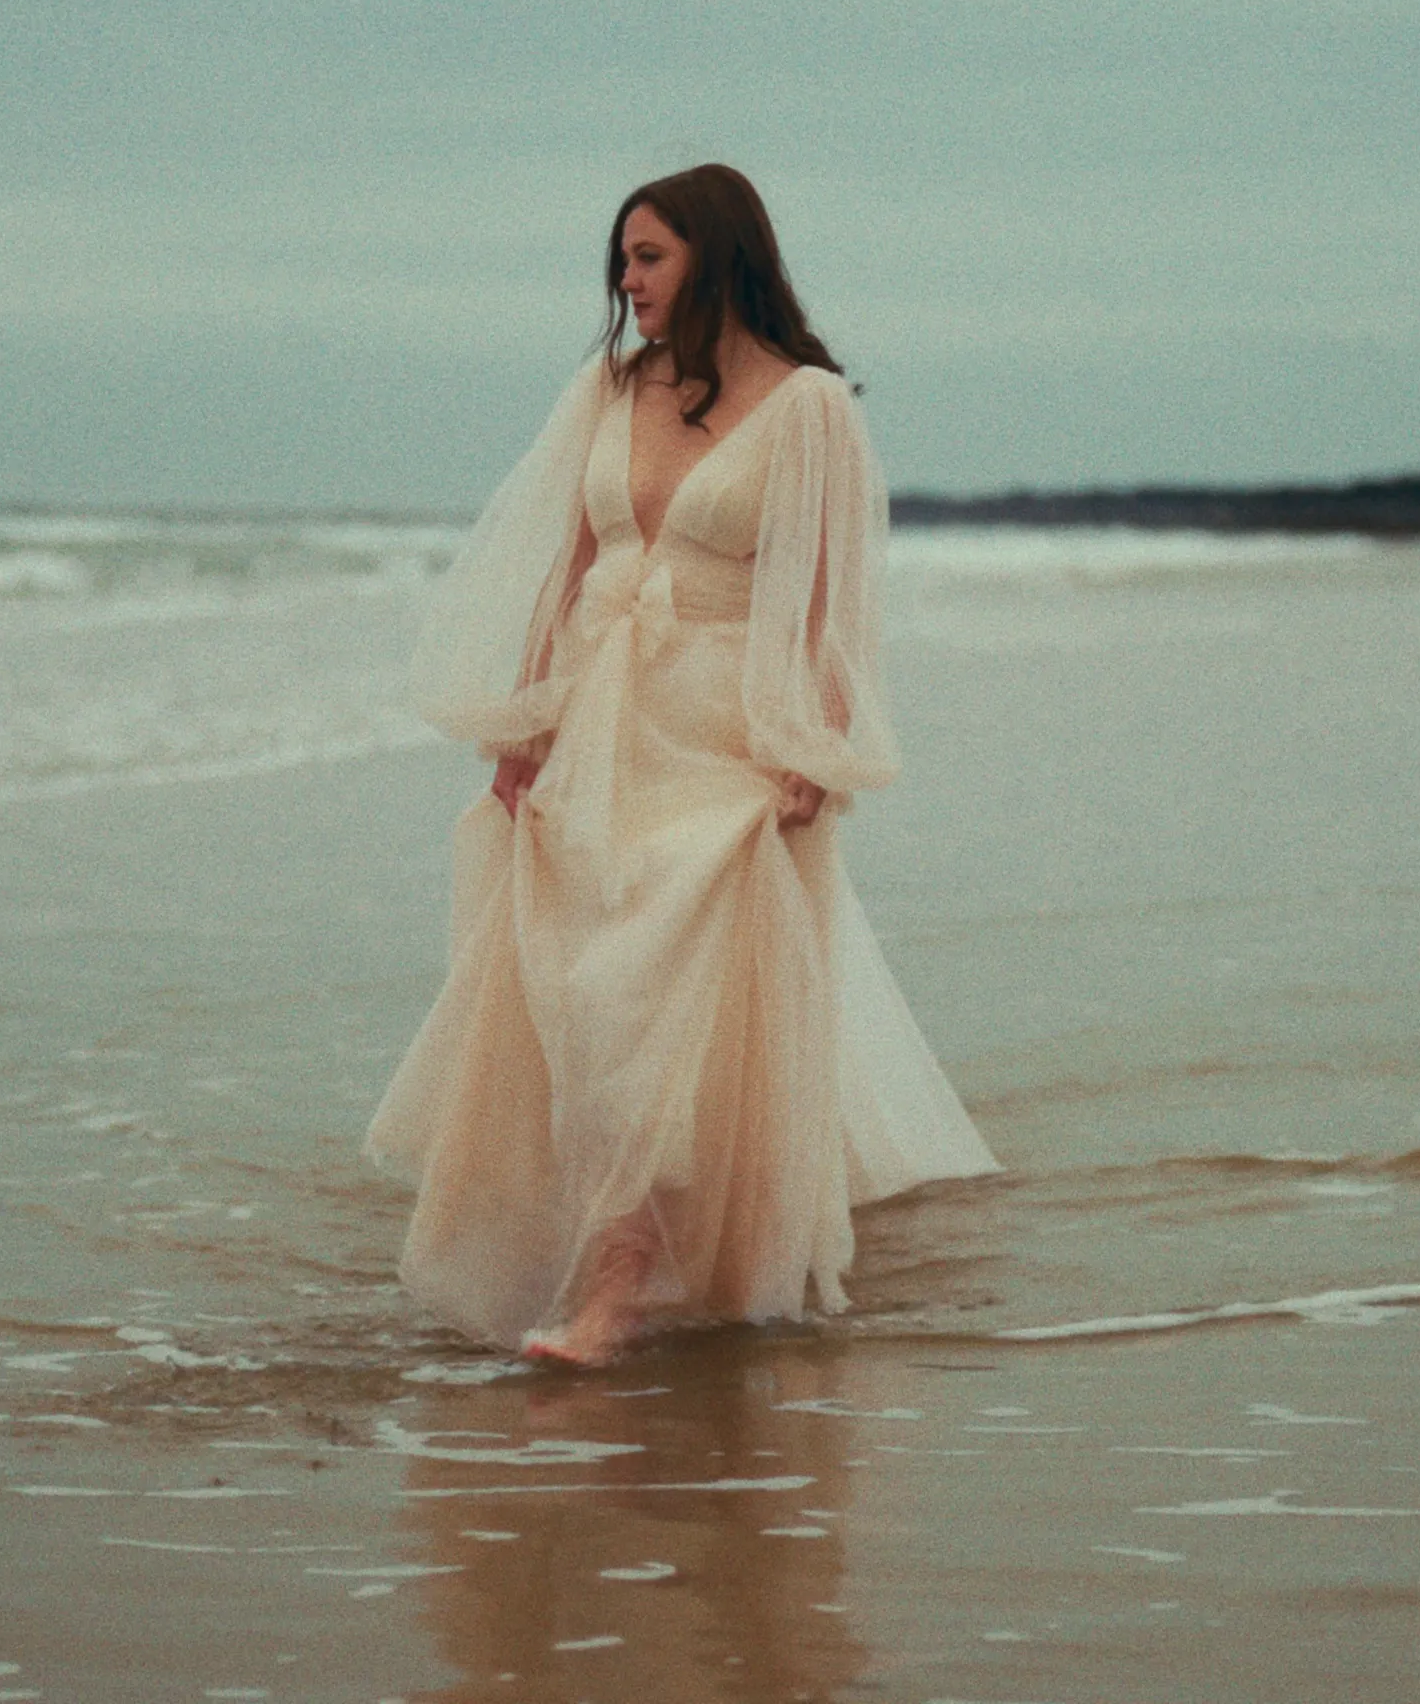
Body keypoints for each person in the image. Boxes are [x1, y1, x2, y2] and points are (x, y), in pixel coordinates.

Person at [366, 163, 999, 1365]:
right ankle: (618, 1241)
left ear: (713, 254)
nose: (627, 281)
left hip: (718, 731)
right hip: (595, 721)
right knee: (572, 987)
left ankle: (620, 1281)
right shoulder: (611, 385)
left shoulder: (810, 406)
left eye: (648, 257)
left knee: (649, 988)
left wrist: (814, 744)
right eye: (622, 259)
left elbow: (828, 602)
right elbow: (565, 563)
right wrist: (524, 720)